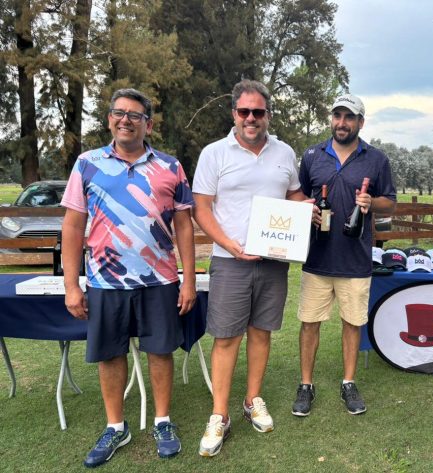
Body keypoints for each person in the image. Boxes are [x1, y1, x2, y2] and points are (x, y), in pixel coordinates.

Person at [61, 88, 196, 468]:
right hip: (106, 281)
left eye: (135, 115)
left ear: (147, 125)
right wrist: (72, 285)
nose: (126, 120)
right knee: (110, 354)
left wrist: (188, 279)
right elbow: (72, 226)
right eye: (119, 113)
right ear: (109, 120)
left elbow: (184, 226)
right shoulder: (87, 164)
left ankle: (163, 421)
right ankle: (115, 426)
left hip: (160, 279)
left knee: (160, 351)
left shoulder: (170, 167)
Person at [192, 79, 312, 457]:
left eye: (258, 112)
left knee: (261, 333)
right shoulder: (214, 153)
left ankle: (252, 400)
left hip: (273, 261)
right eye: (244, 111)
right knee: (227, 337)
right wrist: (228, 244)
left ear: (268, 115)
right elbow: (201, 208)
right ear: (234, 113)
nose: (251, 118)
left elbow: (293, 194)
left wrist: (305, 207)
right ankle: (219, 415)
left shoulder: (284, 152)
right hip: (230, 262)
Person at [292, 93, 396, 417]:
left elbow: (390, 202)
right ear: (331, 119)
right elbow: (298, 194)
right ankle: (306, 385)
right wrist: (305, 208)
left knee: (352, 323)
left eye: (349, 117)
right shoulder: (312, 155)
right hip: (317, 258)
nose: (342, 122)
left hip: (355, 259)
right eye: (337, 115)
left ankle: (348, 382)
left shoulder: (376, 159)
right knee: (309, 323)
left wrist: (371, 203)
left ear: (360, 122)